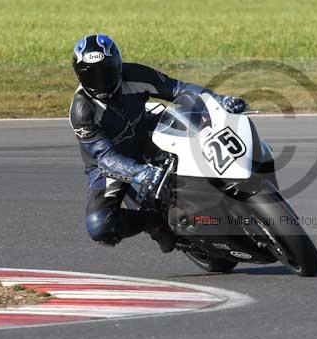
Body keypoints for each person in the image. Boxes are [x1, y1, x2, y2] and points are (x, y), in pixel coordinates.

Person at [69, 34, 247, 252]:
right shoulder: (82, 110)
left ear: (117, 66)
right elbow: (105, 157)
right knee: (100, 226)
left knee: (198, 121)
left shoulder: (134, 74)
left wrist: (219, 100)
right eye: (92, 76)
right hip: (110, 163)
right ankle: (151, 221)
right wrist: (140, 172)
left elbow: (178, 89)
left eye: (105, 72)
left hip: (147, 130)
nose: (100, 81)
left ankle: (228, 182)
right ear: (79, 76)